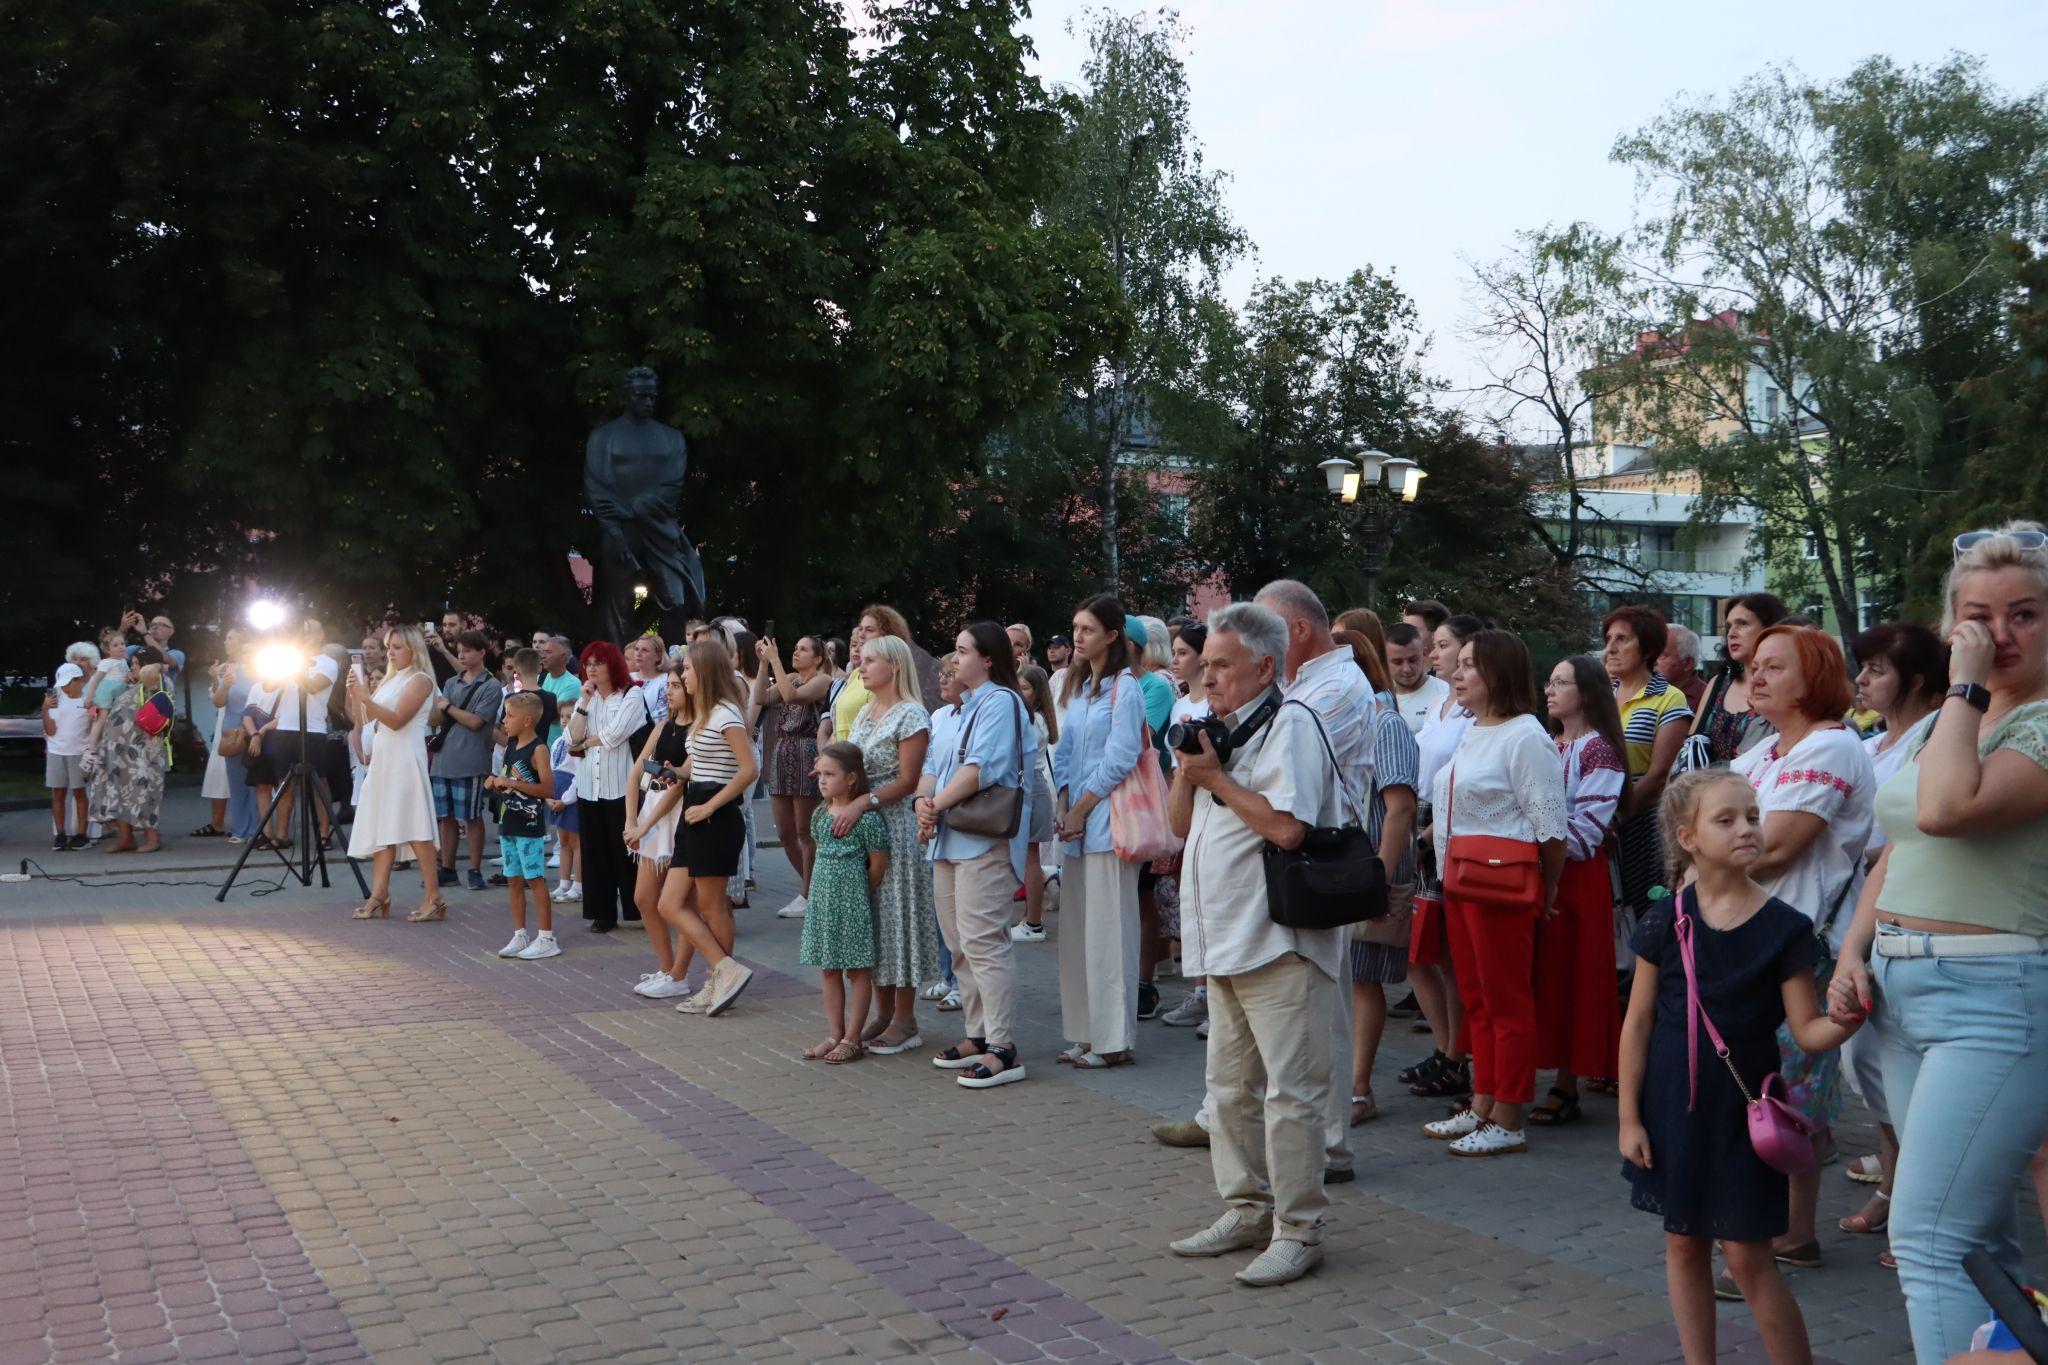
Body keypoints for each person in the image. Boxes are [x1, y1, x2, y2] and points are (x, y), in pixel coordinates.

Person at [1828, 523, 2048, 1363]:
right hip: (1902, 992)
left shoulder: (2021, 721)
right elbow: (1897, 850)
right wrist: (1854, 950)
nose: (1998, 636)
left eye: (2023, 614)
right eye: (1977, 617)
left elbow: (1947, 810)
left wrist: (1964, 686)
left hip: (1996, 997)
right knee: (1977, 1241)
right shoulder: (1939, 728)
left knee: (1930, 1236)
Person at [1620, 770, 1861, 1365]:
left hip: (1742, 1116)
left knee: (1749, 1258)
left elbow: (1806, 1029)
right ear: (1688, 838)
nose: (1747, 828)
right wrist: (1628, 1118)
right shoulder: (1665, 919)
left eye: (1752, 815)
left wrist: (1848, 1020)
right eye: (1725, 820)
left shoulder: (1785, 928)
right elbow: (1638, 1023)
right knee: (1682, 1246)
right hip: (1673, 1106)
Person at [1165, 602, 1347, 1288]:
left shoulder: (1293, 724)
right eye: (1204, 663)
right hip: (1224, 934)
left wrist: (1216, 778)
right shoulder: (1213, 728)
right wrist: (1189, 771)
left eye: (1220, 665)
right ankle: (1244, 1206)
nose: (1206, 676)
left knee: (1292, 1094)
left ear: (1265, 667)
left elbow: (1290, 829)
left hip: (1280, 937)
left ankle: (1300, 1228)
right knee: (1228, 1088)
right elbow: (1178, 824)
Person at [1721, 623, 1874, 1279]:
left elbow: (1776, 845)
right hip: (1747, 937)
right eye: (1753, 665)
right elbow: (1712, 831)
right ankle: (1768, 1227)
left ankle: (1791, 1233)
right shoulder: (1762, 750)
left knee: (1788, 1094)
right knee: (1754, 1085)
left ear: (1813, 676)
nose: (1755, 676)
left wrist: (1705, 865)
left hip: (1798, 945)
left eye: (1774, 666)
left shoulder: (1833, 747)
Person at [1424, 629, 1568, 1157]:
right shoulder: (1475, 729)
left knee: (1506, 1002)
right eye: (1457, 663)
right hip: (1461, 882)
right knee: (1477, 999)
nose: (1456, 673)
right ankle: (1484, 1101)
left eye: (1469, 665)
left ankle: (1509, 1113)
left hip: (1501, 889)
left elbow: (1552, 828)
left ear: (1499, 674)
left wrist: (1546, 893)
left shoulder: (1525, 736)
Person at [1255, 580, 1375, 1183]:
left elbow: (1272, 765)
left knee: (1322, 1010)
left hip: (1320, 862)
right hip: (1304, 858)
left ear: (1299, 629)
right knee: (1306, 1006)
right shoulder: (1311, 683)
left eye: (1268, 633)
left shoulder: (1336, 688)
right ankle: (1311, 1138)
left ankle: (1328, 1146)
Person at [1833, 621, 1947, 1239]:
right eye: (1864, 667)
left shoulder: (1931, 741)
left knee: (1895, 1058)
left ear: (1919, 681)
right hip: (1862, 911)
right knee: (1867, 1057)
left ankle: (1910, 1197)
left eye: (1879, 669)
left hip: (1905, 912)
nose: (1864, 679)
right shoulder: (1872, 743)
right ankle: (1897, 1179)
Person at [917, 623, 1033, 1089]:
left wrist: (934, 805)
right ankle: (977, 1033)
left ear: (988, 659)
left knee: (985, 942)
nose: (955, 659)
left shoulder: (1000, 702)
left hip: (981, 839)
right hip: (948, 837)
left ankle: (1003, 1046)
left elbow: (979, 770)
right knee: (959, 942)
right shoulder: (957, 710)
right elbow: (932, 768)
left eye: (963, 651)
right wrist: (924, 805)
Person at [1532, 656, 1627, 1125]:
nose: (1550, 690)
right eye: (1549, 682)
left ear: (1586, 692)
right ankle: (1548, 1077)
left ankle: (1567, 1083)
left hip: (1577, 875)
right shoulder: (1547, 743)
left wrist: (1532, 835)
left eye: (1561, 682)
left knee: (1575, 977)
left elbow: (1588, 830)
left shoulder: (1599, 749)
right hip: (1545, 870)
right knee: (1548, 975)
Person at [1053, 593, 1147, 1069]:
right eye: (1075, 628)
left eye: (1088, 629)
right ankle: (1087, 1032)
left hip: (1110, 826)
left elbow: (1122, 756)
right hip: (1079, 829)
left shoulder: (1124, 688)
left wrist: (1083, 806)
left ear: (1112, 635)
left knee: (1110, 934)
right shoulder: (1083, 689)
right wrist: (1065, 801)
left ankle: (1114, 1040)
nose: (1078, 637)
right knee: (1079, 935)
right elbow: (1066, 750)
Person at [647, 639, 759, 1018]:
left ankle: (719, 977)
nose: (683, 676)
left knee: (712, 906)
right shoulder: (704, 713)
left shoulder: (727, 713)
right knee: (670, 903)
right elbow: (696, 766)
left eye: (689, 670)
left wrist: (711, 804)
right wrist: (672, 772)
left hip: (714, 814)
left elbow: (749, 770)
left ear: (705, 671)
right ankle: (724, 970)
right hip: (695, 810)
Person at [843, 634, 940, 1054]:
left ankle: (905, 1017)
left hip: (897, 826)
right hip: (868, 827)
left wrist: (865, 799)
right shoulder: (866, 710)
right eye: (860, 661)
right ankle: (881, 1012)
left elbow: (907, 779)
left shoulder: (911, 714)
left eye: (870, 661)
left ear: (894, 666)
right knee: (877, 921)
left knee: (901, 918)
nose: (861, 668)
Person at [1401, 613, 1483, 1102]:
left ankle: (1458, 1056)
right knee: (1424, 953)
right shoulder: (1440, 705)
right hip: (1424, 819)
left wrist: (1430, 831)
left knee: (1448, 955)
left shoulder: (1474, 710)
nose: (1434, 655)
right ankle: (1447, 1048)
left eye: (1444, 646)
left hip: (1445, 829)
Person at [1343, 634, 1421, 1127]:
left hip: (1371, 863)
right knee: (1342, 975)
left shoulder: (1385, 723)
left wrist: (1378, 876)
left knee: (1363, 976)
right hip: (1335, 867)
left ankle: (1358, 1087)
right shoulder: (1339, 721)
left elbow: (1400, 808)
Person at [1606, 605, 1693, 943]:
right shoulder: (1601, 695)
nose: (1611, 648)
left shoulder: (1669, 699)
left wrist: (1613, 820)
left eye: (1622, 639)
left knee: (1642, 917)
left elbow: (1659, 776)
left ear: (1648, 649)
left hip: (1640, 822)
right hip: (1593, 822)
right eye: (1609, 639)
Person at [345, 626, 444, 922]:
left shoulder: (420, 680)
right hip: (384, 759)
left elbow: (398, 720)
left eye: (398, 647)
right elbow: (366, 719)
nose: (391, 652)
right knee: (381, 827)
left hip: (404, 759)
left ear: (413, 649)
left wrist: (366, 697)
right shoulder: (391, 679)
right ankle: (379, 895)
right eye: (389, 647)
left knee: (416, 828)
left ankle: (433, 896)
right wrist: (355, 694)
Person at [801, 743, 891, 1064]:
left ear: (851, 778)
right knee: (829, 968)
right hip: (823, 902)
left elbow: (877, 865)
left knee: (857, 969)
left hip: (853, 904)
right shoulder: (819, 815)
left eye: (830, 774)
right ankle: (833, 1034)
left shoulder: (866, 820)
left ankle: (853, 1038)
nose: (822, 780)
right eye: (820, 774)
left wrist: (856, 893)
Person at [624, 663, 696, 997]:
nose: (669, 690)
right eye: (668, 685)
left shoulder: (698, 727)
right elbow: (636, 771)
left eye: (677, 685)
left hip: (676, 814)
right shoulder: (663, 724)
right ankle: (667, 967)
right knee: (644, 898)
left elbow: (679, 787)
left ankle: (679, 974)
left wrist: (645, 827)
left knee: (679, 901)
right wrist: (631, 820)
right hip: (650, 809)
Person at [1158, 624, 1213, 1028]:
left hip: (1209, 804)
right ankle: (1199, 990)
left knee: (1211, 901)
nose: (1175, 660)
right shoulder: (1180, 705)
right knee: (1187, 900)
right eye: (1173, 652)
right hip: (1182, 802)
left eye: (1182, 653)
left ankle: (1218, 992)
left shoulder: (1216, 704)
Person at [566, 641, 641, 933]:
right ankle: (603, 912)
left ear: (613, 665)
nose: (592, 669)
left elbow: (616, 734)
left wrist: (584, 741)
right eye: (587, 663)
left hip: (621, 786)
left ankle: (637, 907)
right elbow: (572, 735)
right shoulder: (587, 697)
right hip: (589, 785)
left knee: (625, 850)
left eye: (598, 663)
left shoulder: (631, 695)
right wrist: (583, 704)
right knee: (594, 852)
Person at [1129, 615, 1179, 1021]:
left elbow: (1135, 737)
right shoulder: (1098, 687)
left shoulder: (1155, 686)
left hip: (1142, 802)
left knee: (1143, 896)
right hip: (1108, 806)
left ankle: (1145, 984)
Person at [759, 634, 830, 919]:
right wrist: (765, 664)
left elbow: (791, 697)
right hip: (782, 752)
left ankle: (808, 893)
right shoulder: (789, 676)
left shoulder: (821, 680)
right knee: (785, 831)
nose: (796, 653)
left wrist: (774, 659)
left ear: (817, 658)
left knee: (805, 830)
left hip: (804, 750)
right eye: (795, 647)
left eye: (803, 649)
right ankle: (815, 888)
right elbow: (761, 698)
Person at [429, 631, 503, 892]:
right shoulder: (451, 682)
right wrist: (437, 709)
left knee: (471, 817)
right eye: (459, 650)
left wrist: (448, 708)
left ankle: (474, 869)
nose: (462, 654)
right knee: (445, 817)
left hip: (470, 759)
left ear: (482, 652)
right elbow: (439, 719)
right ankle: (447, 868)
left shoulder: (491, 685)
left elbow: (475, 722)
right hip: (443, 759)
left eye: (468, 650)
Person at [487, 693, 557, 959]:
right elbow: (507, 777)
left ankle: (546, 936)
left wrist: (512, 783)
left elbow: (547, 788)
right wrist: (495, 780)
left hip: (529, 824)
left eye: (510, 716)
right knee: (513, 879)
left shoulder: (539, 749)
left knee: (534, 879)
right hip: (509, 821)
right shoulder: (511, 745)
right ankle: (519, 934)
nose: (505, 720)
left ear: (527, 721)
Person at [88, 647, 172, 854]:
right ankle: (126, 838)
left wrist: (147, 672)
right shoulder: (131, 686)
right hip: (118, 752)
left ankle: (152, 837)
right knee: (117, 792)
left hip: (143, 754)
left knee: (144, 794)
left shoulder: (158, 683)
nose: (132, 667)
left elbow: (155, 684)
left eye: (136, 663)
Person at [1689, 592, 1789, 765]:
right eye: (1729, 627)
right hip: (1705, 788)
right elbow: (1690, 749)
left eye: (1742, 624)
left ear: (1770, 629)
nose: (1731, 633)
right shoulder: (1718, 684)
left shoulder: (1786, 685)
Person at [1011, 664, 1061, 943]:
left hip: (1031, 787)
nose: (1019, 692)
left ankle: (1033, 921)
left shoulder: (1031, 720)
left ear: (1038, 693)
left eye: (1025, 688)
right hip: (1034, 786)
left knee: (1031, 858)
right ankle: (1031, 917)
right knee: (1029, 856)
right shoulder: (1037, 718)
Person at [194, 634, 245, 839]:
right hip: (223, 723)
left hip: (242, 721)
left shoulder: (254, 665)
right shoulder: (224, 667)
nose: (226, 642)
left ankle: (246, 823)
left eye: (232, 638)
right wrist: (215, 679)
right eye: (226, 639)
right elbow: (214, 698)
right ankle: (217, 822)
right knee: (218, 773)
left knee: (243, 777)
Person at [43, 662, 93, 851]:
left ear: (79, 681)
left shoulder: (87, 701)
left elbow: (92, 727)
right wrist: (45, 710)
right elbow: (51, 730)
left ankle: (81, 834)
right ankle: (60, 834)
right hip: (57, 752)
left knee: (79, 792)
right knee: (58, 792)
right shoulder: (56, 700)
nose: (65, 687)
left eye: (69, 682)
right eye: (63, 683)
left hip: (78, 753)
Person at [546, 731, 581, 902]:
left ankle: (579, 885)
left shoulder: (579, 743)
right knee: (563, 841)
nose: (565, 721)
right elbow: (552, 769)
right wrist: (549, 796)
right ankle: (564, 882)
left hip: (570, 796)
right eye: (562, 717)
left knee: (576, 842)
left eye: (569, 716)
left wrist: (566, 800)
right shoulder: (558, 741)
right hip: (557, 792)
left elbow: (579, 775)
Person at [538, 636, 582, 745]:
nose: (542, 656)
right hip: (539, 748)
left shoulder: (573, 684)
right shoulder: (540, 678)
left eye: (548, 652)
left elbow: (554, 717)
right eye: (543, 652)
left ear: (563, 657)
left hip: (557, 750)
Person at [1658, 624, 1707, 713]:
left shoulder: (1707, 699)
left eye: (1662, 655)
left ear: (1688, 663)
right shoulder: (1644, 691)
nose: (1653, 660)